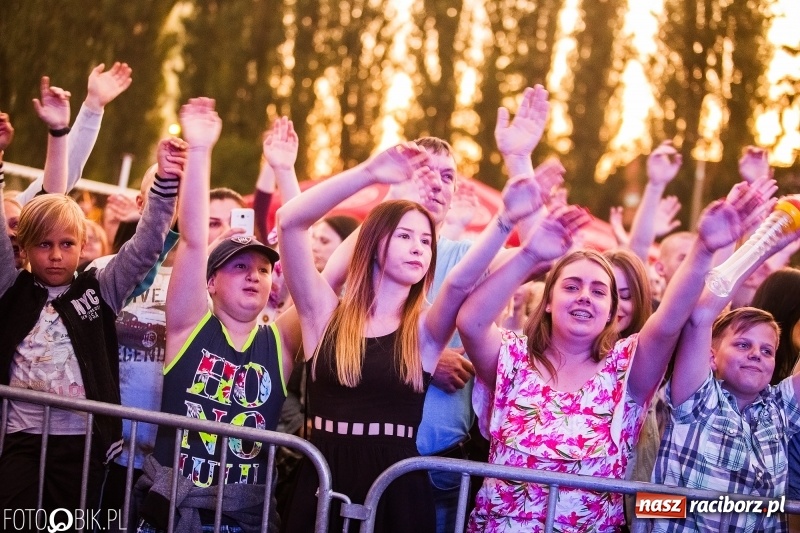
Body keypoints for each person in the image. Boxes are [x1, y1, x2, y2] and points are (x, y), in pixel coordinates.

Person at [456, 178, 771, 531]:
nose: (584, 296)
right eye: (571, 286)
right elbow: (471, 322)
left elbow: (667, 322)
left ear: (611, 312)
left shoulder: (625, 368)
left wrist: (703, 249)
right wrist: (529, 254)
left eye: (598, 291)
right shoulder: (513, 358)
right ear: (546, 302)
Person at [277, 137, 552, 532]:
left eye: (426, 241)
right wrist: (368, 173)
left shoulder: (424, 330)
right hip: (323, 483)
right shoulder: (323, 314)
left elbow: (458, 285)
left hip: (399, 494)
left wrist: (505, 221)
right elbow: (290, 221)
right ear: (374, 243)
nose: (419, 248)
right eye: (405, 235)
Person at [0, 125, 180, 523]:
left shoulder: (100, 290)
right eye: (44, 245)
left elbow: (147, 244)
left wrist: (166, 181)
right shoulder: (11, 289)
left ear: (83, 247)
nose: (55, 256)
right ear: (25, 248)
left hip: (82, 443)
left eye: (67, 244)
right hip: (19, 439)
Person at [138, 98, 302, 533]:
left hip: (244, 519)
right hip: (173, 512)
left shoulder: (279, 342)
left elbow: (304, 267)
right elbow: (193, 241)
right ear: (210, 281)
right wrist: (201, 150)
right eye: (239, 267)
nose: (254, 277)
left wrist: (285, 173)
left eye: (264, 270)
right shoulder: (191, 326)